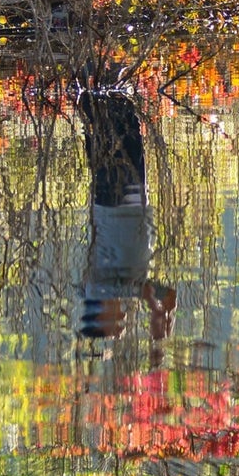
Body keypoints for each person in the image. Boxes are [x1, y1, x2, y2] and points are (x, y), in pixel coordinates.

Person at [76, 84, 176, 346]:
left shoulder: (96, 289)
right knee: (125, 114)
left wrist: (155, 309)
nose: (122, 321)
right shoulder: (126, 287)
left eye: (114, 324)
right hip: (133, 196)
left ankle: (96, 73)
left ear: (98, 317)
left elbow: (146, 291)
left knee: (106, 111)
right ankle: (105, 74)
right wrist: (164, 316)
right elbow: (169, 294)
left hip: (113, 195)